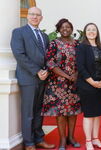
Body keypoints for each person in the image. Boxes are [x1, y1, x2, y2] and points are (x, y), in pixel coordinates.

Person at [10, 7, 55, 150]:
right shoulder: (19, 32)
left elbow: (48, 57)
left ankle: (39, 139)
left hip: (43, 78)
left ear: (41, 18)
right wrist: (37, 71)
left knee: (39, 111)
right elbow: (19, 54)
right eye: (32, 14)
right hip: (28, 78)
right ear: (27, 16)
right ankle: (29, 143)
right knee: (28, 112)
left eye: (37, 15)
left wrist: (46, 70)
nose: (35, 17)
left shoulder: (44, 36)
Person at [41, 18, 81, 150]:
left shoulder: (77, 44)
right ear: (58, 29)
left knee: (72, 111)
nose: (65, 29)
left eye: (68, 27)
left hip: (73, 83)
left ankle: (71, 137)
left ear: (72, 29)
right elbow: (50, 62)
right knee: (61, 112)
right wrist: (66, 76)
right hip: (57, 84)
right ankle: (63, 139)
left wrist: (75, 75)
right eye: (62, 27)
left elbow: (82, 62)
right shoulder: (54, 43)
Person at [76, 23, 101, 150]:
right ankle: (88, 141)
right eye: (89, 30)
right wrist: (92, 82)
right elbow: (81, 67)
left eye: (94, 29)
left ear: (97, 32)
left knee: (97, 113)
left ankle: (96, 138)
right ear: (85, 32)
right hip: (87, 85)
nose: (91, 32)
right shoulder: (82, 47)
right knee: (89, 114)